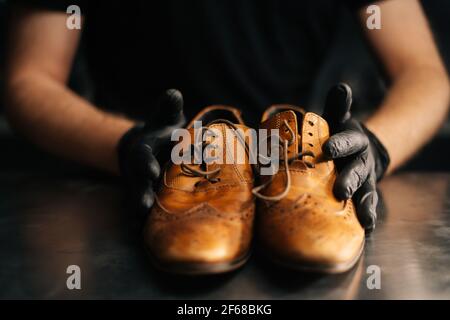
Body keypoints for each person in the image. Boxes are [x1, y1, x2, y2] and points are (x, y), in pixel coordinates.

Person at [4, 0, 449, 232]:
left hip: (300, 169)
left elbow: (423, 72)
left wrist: (378, 144)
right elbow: (29, 77)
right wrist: (126, 144)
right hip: (155, 170)